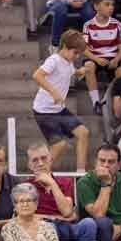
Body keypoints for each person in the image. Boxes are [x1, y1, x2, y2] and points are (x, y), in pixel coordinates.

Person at [32, 29, 90, 174]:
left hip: (58, 109)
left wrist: (81, 71)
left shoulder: (68, 62)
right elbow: (37, 75)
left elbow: (70, 71)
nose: (76, 57)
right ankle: (41, 173)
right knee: (59, 145)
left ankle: (81, 172)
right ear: (64, 47)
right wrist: (53, 92)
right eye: (75, 53)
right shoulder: (54, 60)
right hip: (44, 111)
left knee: (83, 133)